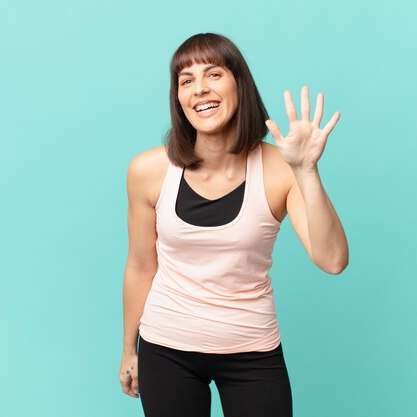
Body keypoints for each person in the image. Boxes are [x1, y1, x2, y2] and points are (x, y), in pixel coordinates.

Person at [118, 32, 348, 417]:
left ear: (238, 83)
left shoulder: (279, 169)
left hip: (251, 350)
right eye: (186, 80)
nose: (199, 89)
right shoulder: (149, 170)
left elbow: (333, 260)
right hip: (166, 348)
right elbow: (141, 265)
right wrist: (129, 349)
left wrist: (306, 171)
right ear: (178, 97)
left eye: (213, 74)